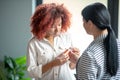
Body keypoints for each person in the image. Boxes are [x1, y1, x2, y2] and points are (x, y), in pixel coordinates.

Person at [26, 3, 80, 80]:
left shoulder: (66, 37)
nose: (57, 29)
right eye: (52, 26)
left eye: (59, 25)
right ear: (42, 25)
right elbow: (31, 72)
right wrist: (52, 63)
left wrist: (75, 59)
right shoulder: (34, 43)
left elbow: (71, 67)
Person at [69, 2, 120, 80]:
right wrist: (80, 61)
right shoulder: (118, 44)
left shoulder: (90, 54)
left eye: (83, 21)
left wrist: (83, 61)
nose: (83, 24)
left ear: (90, 23)